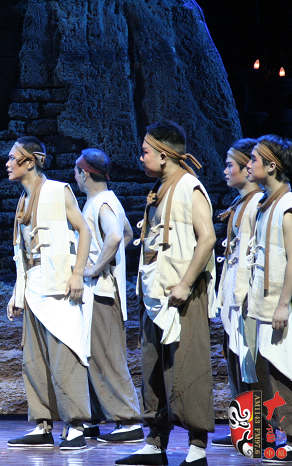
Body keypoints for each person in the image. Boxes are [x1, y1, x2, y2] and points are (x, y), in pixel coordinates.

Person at [117, 121, 216, 466]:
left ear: (163, 154)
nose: (140, 157)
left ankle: (197, 447)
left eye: (145, 151)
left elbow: (208, 238)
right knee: (153, 368)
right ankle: (155, 443)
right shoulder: (160, 188)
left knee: (187, 368)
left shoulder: (190, 187)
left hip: (182, 295)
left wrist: (186, 283)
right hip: (155, 295)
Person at [4, 136, 93, 450]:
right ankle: (42, 424)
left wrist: (78, 272)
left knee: (65, 355)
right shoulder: (23, 200)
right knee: (34, 359)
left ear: (30, 161)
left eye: (13, 158)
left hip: (59, 284)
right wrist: (17, 293)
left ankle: (76, 425)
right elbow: (22, 253)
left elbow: (84, 229)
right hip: (34, 286)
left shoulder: (58, 190)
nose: (7, 163)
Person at [73, 148, 143, 443]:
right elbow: (127, 234)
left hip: (102, 293)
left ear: (85, 174)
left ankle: (128, 421)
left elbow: (115, 236)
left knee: (107, 357)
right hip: (98, 292)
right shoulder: (106, 200)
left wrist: (96, 268)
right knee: (93, 355)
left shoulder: (101, 202)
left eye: (76, 171)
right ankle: (95, 417)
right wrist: (110, 260)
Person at [212, 139, 264, 448]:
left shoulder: (256, 204)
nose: (225, 170)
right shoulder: (240, 204)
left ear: (247, 168)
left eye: (230, 165)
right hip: (233, 292)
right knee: (234, 356)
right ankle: (244, 430)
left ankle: (257, 431)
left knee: (249, 361)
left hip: (246, 295)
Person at [246, 135, 292, 461]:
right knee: (267, 371)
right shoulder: (266, 205)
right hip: (264, 304)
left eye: (254, 159)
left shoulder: (286, 207)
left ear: (272, 165)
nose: (249, 165)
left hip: (279, 305)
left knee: (281, 371)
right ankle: (280, 434)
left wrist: (283, 304)